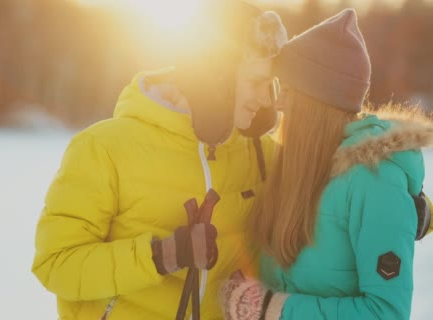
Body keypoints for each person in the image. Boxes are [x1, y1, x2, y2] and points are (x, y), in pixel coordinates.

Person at [31, 1, 289, 319]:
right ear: (218, 76)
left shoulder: (262, 155)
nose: (267, 100)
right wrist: (164, 254)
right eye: (257, 82)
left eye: (272, 85)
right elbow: (56, 264)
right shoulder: (104, 148)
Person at [220, 8, 433, 320]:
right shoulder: (292, 164)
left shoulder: (373, 179)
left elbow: (387, 313)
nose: (277, 103)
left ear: (313, 102)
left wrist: (275, 310)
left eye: (287, 90)